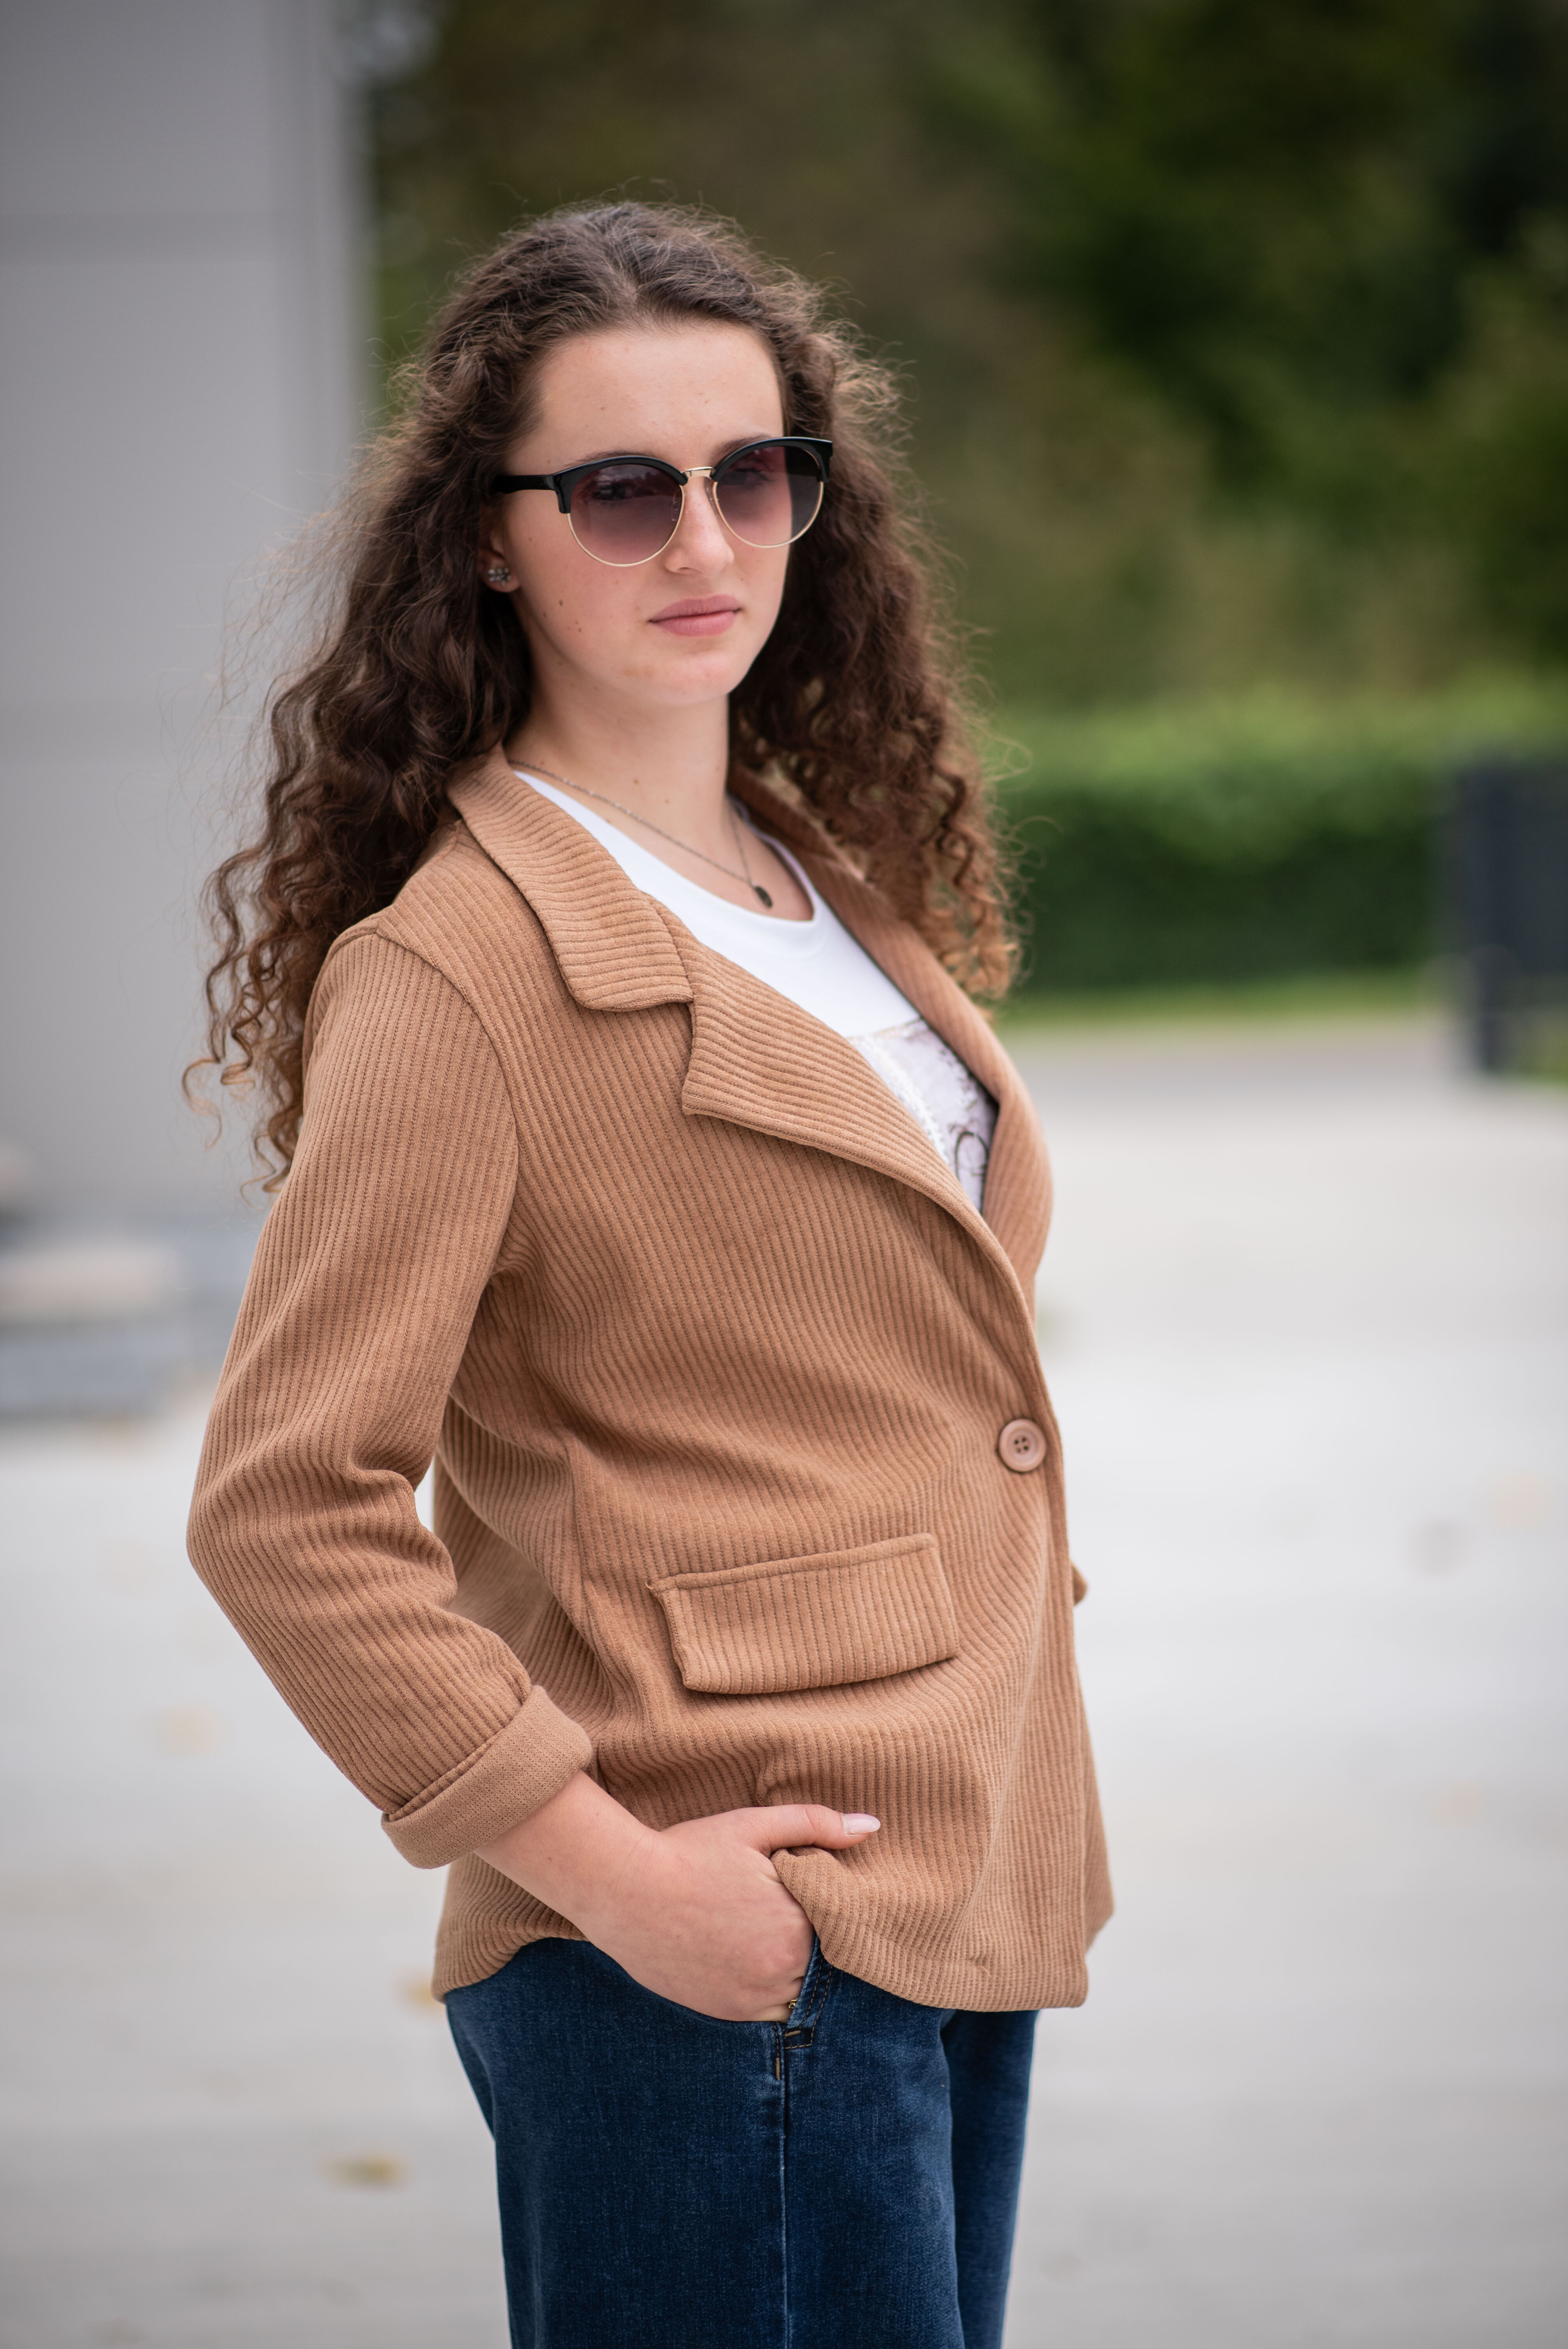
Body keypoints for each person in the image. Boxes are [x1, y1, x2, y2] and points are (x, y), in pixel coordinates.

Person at [187, 200, 1110, 2349]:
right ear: (491, 538)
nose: (704, 539)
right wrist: (619, 1882)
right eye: (620, 490)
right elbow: (287, 1505)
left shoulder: (820, 877)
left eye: (754, 474)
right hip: (707, 1927)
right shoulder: (462, 968)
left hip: (949, 1868)